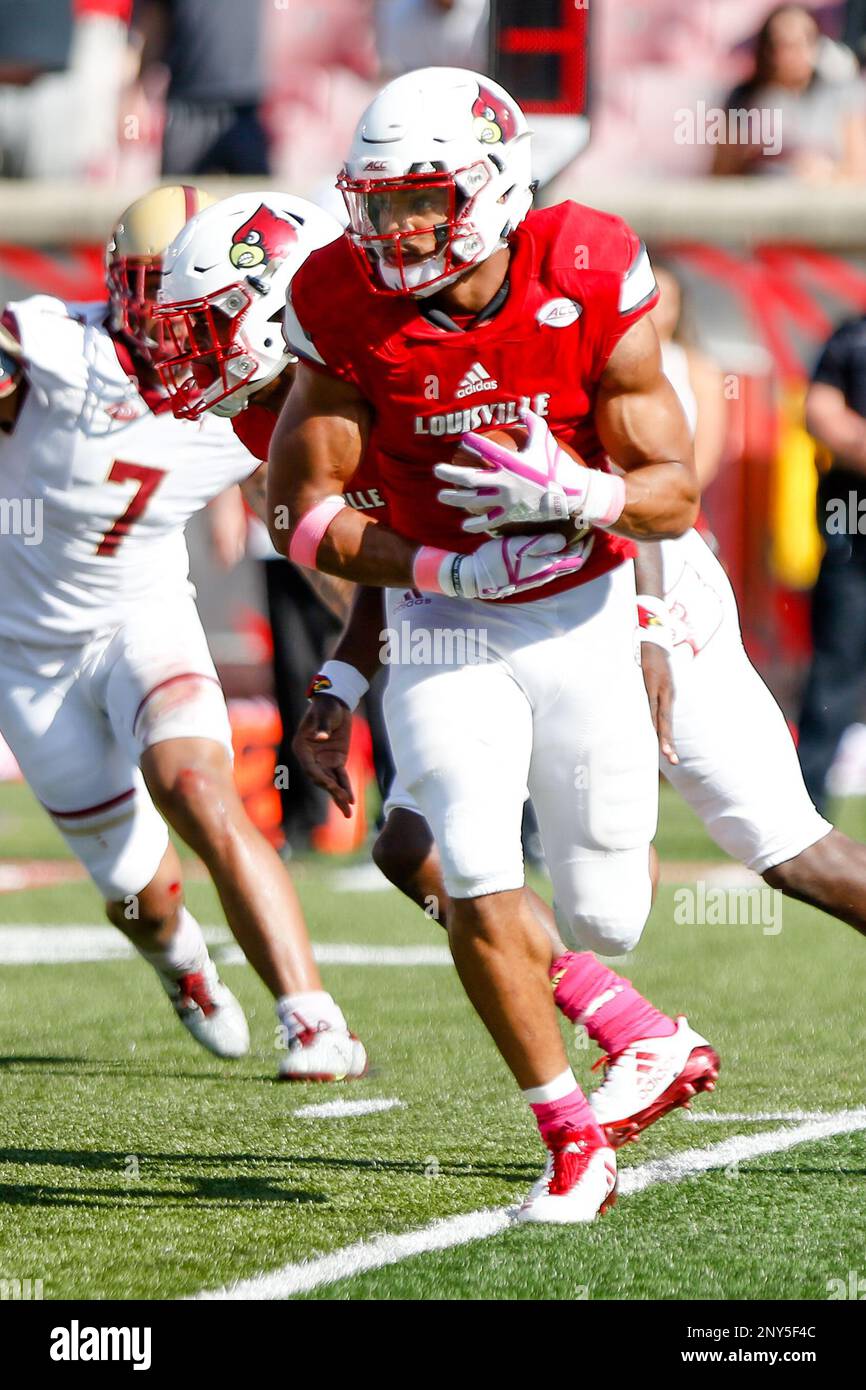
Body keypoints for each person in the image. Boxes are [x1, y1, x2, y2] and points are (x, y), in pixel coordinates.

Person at [264, 67, 715, 1224]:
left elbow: (672, 494)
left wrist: (580, 492)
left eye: (421, 200)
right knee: (463, 850)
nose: (394, 228)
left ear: (495, 183)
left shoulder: (586, 265)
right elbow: (298, 513)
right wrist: (436, 570)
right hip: (444, 618)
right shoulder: (342, 300)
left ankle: (638, 1027)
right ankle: (569, 1137)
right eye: (376, 203)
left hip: (578, 607)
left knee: (608, 905)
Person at [0, 186, 366, 1082]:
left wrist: (367, 648)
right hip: (25, 655)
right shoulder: (50, 348)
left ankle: (312, 1018)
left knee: (198, 786)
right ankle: (181, 963)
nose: (173, 325)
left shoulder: (242, 396)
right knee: (144, 900)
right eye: (152, 291)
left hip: (138, 618)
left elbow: (311, 532)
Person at [798, 314, 866, 814]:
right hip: (855, 532)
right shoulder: (851, 336)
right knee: (835, 669)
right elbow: (822, 415)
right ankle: (805, 811)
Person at [712, 4, 866, 181]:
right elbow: (721, 175)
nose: (794, 53)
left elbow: (859, 172)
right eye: (783, 44)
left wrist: (829, 174)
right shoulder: (743, 99)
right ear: (767, 50)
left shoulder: (842, 94)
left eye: (803, 41)